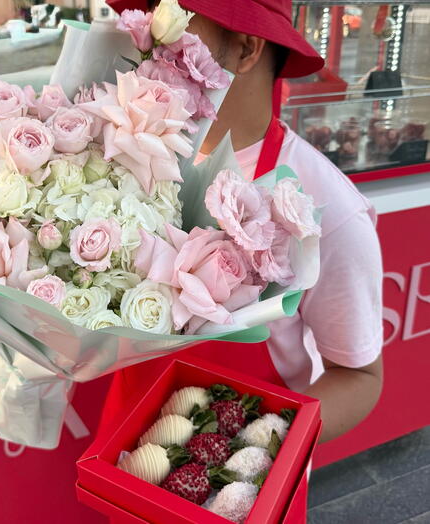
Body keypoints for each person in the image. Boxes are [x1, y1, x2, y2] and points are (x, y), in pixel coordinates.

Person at [103, 0, 384, 446]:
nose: (154, 38)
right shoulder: (139, 148)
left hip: (237, 486)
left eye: (178, 20)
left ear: (247, 48)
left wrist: (254, 452)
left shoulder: (325, 207)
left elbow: (359, 375)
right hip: (128, 437)